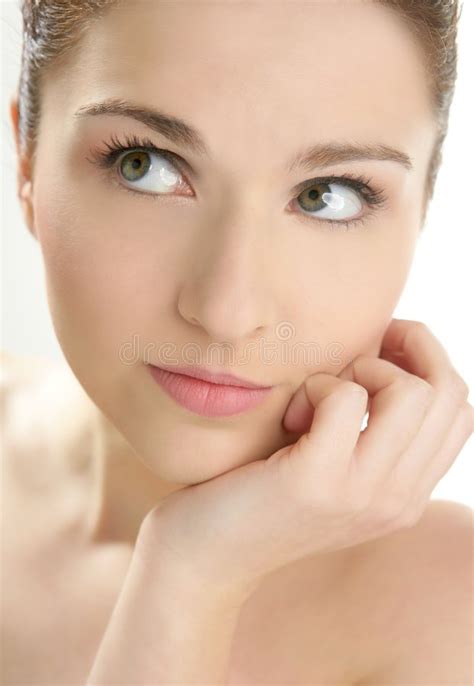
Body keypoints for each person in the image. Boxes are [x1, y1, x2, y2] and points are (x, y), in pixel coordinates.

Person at [2, 0, 473, 684]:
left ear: (421, 212)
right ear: (26, 164)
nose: (226, 313)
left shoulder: (453, 611)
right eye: (146, 165)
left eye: (326, 195)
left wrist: (192, 572)